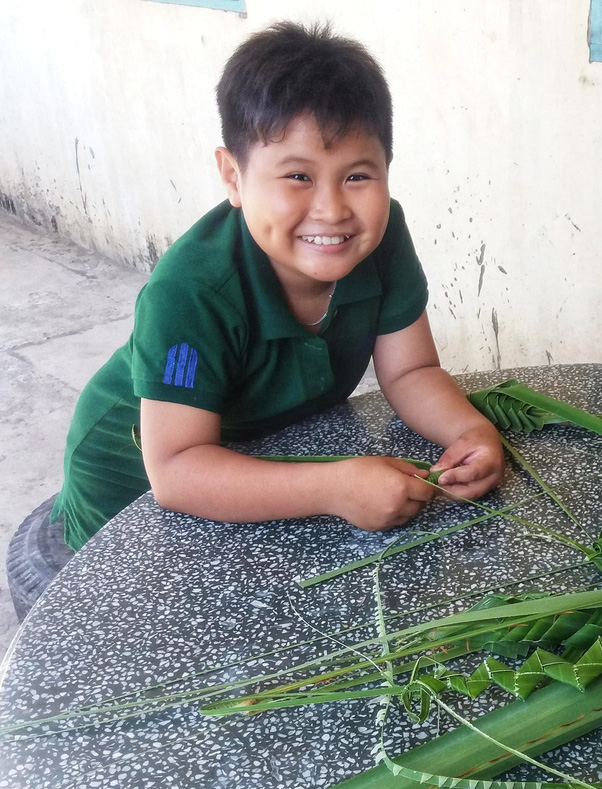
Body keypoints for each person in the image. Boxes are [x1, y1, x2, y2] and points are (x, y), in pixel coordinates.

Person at [50, 21, 504, 551]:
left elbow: (411, 370)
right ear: (233, 176)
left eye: (358, 176)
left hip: (260, 456)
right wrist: (333, 486)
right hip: (132, 491)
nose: (333, 210)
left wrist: (469, 433)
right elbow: (175, 470)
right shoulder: (190, 290)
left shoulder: (381, 237)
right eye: (297, 177)